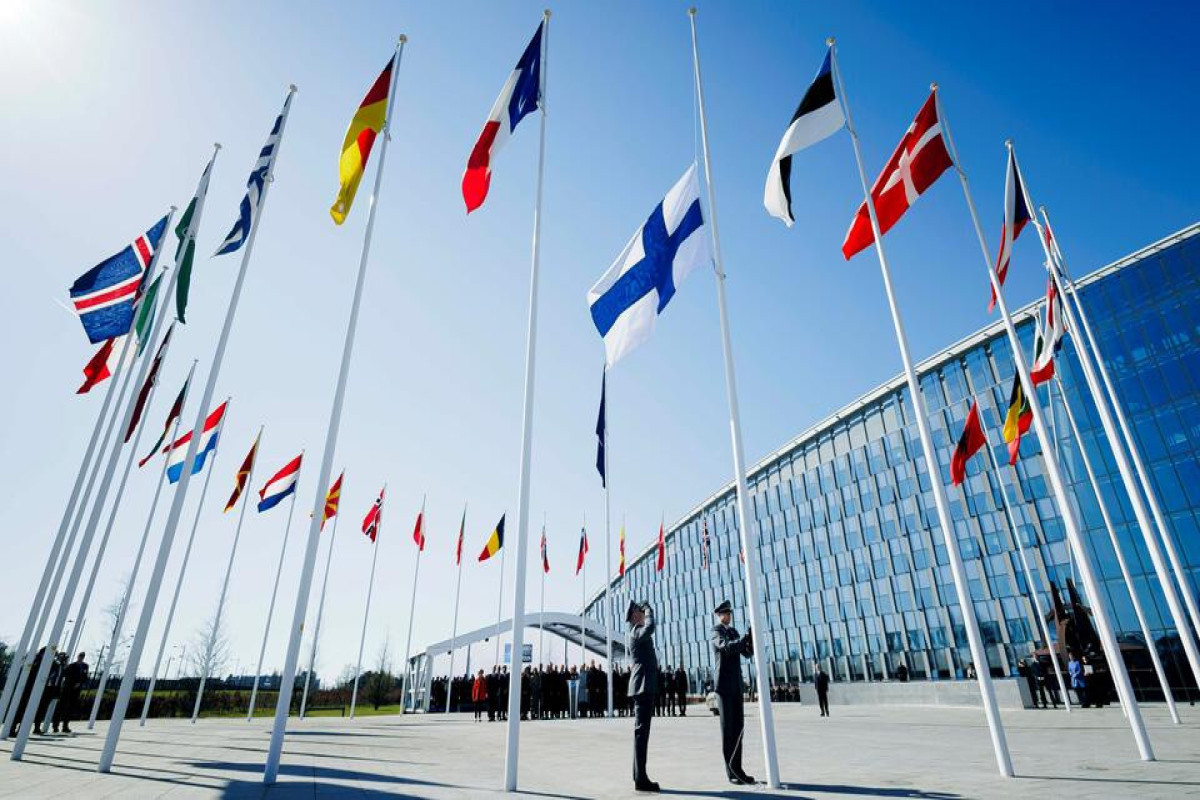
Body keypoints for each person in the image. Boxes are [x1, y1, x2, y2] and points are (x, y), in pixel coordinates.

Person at [711, 600, 756, 786]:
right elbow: (727, 647)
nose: (728, 616)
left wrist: (751, 638)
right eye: (725, 613)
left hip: (736, 685)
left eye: (729, 613)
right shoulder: (716, 631)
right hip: (724, 686)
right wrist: (743, 639)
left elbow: (747, 653)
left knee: (738, 729)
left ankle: (738, 769)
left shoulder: (734, 632)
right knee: (728, 729)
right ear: (719, 615)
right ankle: (731, 772)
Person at [628, 601, 659, 792]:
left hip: (644, 686)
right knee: (641, 733)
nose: (642, 613)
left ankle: (639, 775)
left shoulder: (637, 632)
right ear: (634, 616)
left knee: (641, 733)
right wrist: (649, 611)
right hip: (642, 686)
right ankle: (641, 779)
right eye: (640, 611)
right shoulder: (636, 631)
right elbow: (650, 628)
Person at [54, 652, 88, 734]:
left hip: (76, 690)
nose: (81, 658)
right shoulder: (71, 665)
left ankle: (65, 726)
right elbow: (65, 674)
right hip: (67, 688)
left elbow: (85, 677)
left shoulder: (85, 666)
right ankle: (55, 725)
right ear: (78, 657)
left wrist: (79, 683)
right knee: (61, 706)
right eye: (80, 656)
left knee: (70, 708)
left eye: (82, 657)